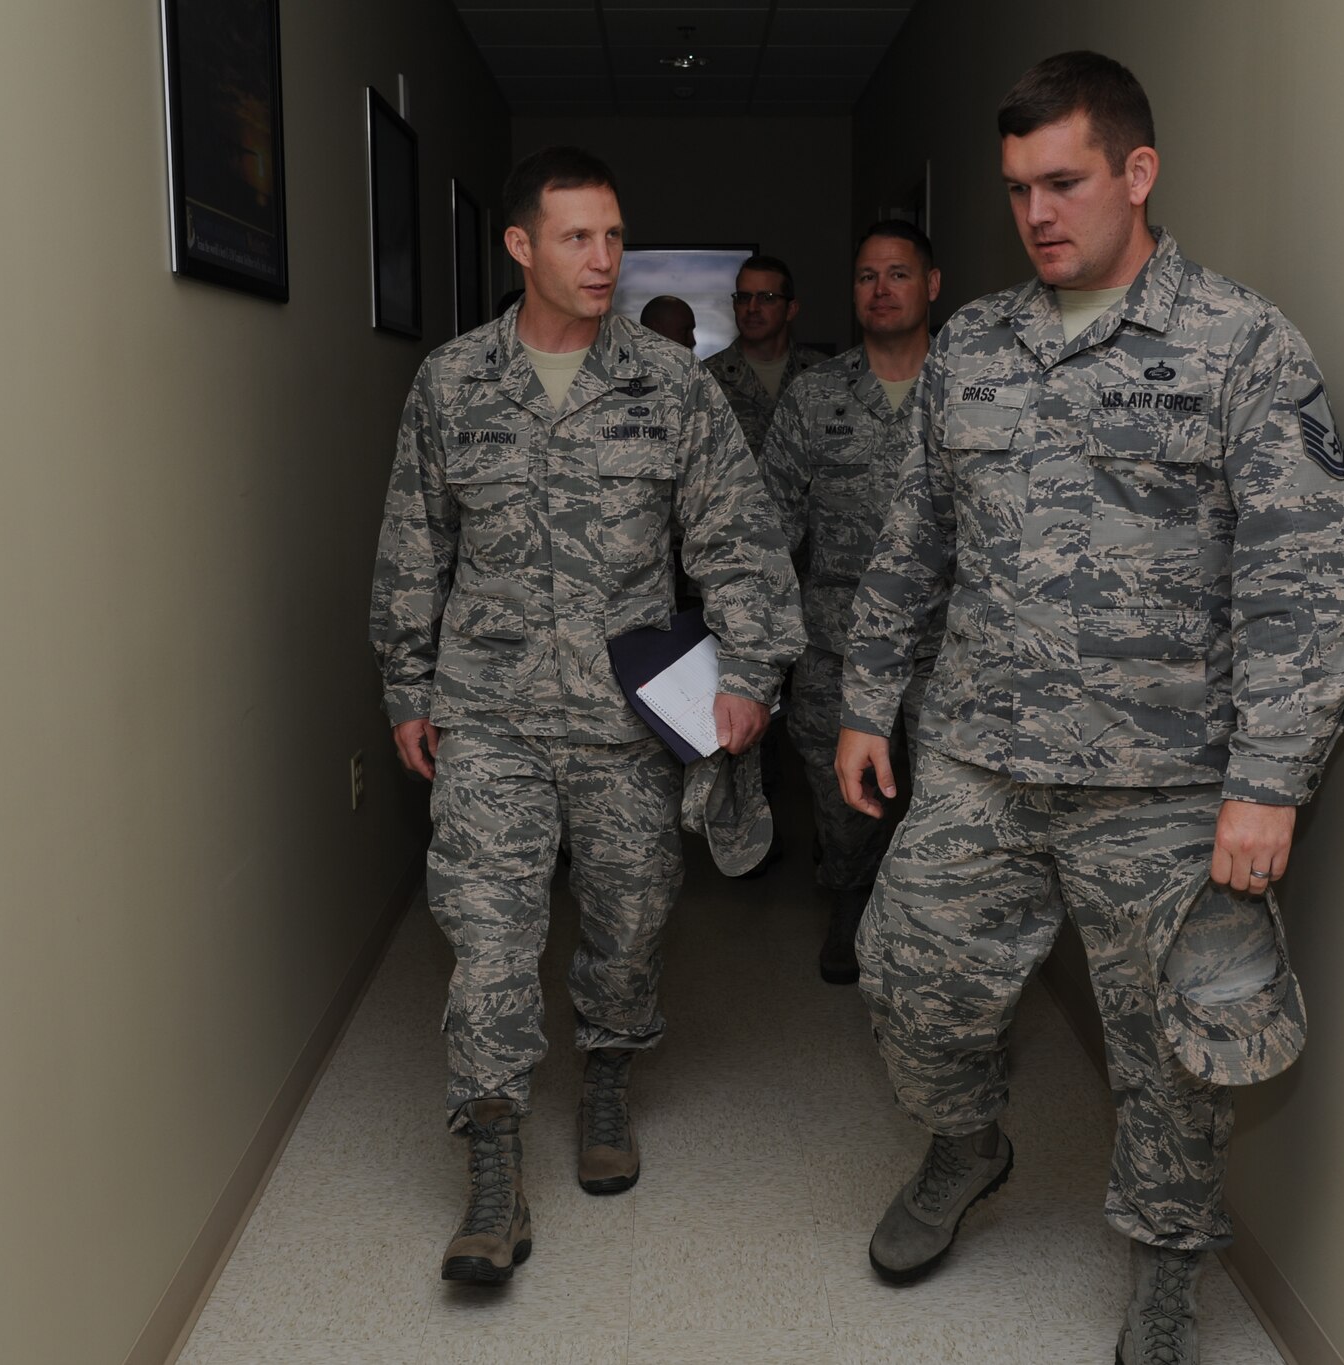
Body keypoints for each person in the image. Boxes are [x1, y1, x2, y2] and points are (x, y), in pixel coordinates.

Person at [833, 52, 1344, 1364]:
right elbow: (914, 543)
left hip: (1174, 782)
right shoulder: (971, 346)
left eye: (1064, 181)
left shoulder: (1241, 343)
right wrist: (865, 700)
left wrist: (1270, 781)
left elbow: (1311, 583)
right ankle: (967, 1145)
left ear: (1137, 173)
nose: (1037, 212)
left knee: (1178, 1058)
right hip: (980, 758)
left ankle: (1166, 1267)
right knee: (909, 983)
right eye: (1017, 188)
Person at [370, 145, 804, 1286]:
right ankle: (494, 1172)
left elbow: (737, 539)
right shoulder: (452, 386)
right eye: (577, 237)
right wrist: (406, 685)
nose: (603, 258)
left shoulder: (670, 387)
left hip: (625, 727)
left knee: (630, 922)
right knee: (488, 945)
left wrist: (751, 672)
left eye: (613, 235)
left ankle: (608, 1070)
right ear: (520, 247)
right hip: (491, 716)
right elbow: (415, 547)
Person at [760, 220, 942, 984]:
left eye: (899, 273)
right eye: (867, 276)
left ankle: (930, 926)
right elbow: (770, 523)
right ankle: (849, 892)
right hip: (835, 639)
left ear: (931, 285)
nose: (882, 289)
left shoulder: (973, 390)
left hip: (948, 641)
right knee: (842, 799)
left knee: (946, 792)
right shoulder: (815, 396)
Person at [703, 254, 832, 457]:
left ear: (791, 310)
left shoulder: (825, 375)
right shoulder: (706, 378)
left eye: (766, 298)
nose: (752, 308)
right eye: (744, 298)